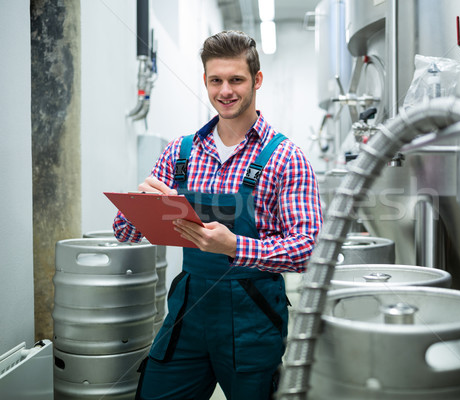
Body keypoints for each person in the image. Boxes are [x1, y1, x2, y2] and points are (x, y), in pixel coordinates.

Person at [113, 30, 322, 400]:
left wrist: (236, 246)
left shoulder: (286, 158)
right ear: (206, 81)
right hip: (188, 308)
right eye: (216, 80)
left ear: (256, 80)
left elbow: (308, 249)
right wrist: (141, 206)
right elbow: (124, 234)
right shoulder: (181, 153)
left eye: (236, 79)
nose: (225, 91)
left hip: (252, 314)